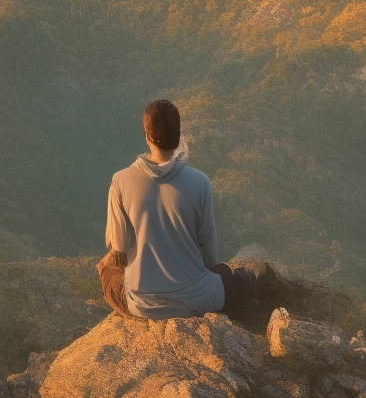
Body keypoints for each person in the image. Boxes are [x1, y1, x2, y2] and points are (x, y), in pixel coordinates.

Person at [98, 99, 252, 319]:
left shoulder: (120, 182)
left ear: (147, 136)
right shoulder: (201, 182)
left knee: (107, 270)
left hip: (142, 305)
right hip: (200, 299)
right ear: (179, 137)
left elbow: (119, 249)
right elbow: (209, 255)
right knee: (231, 275)